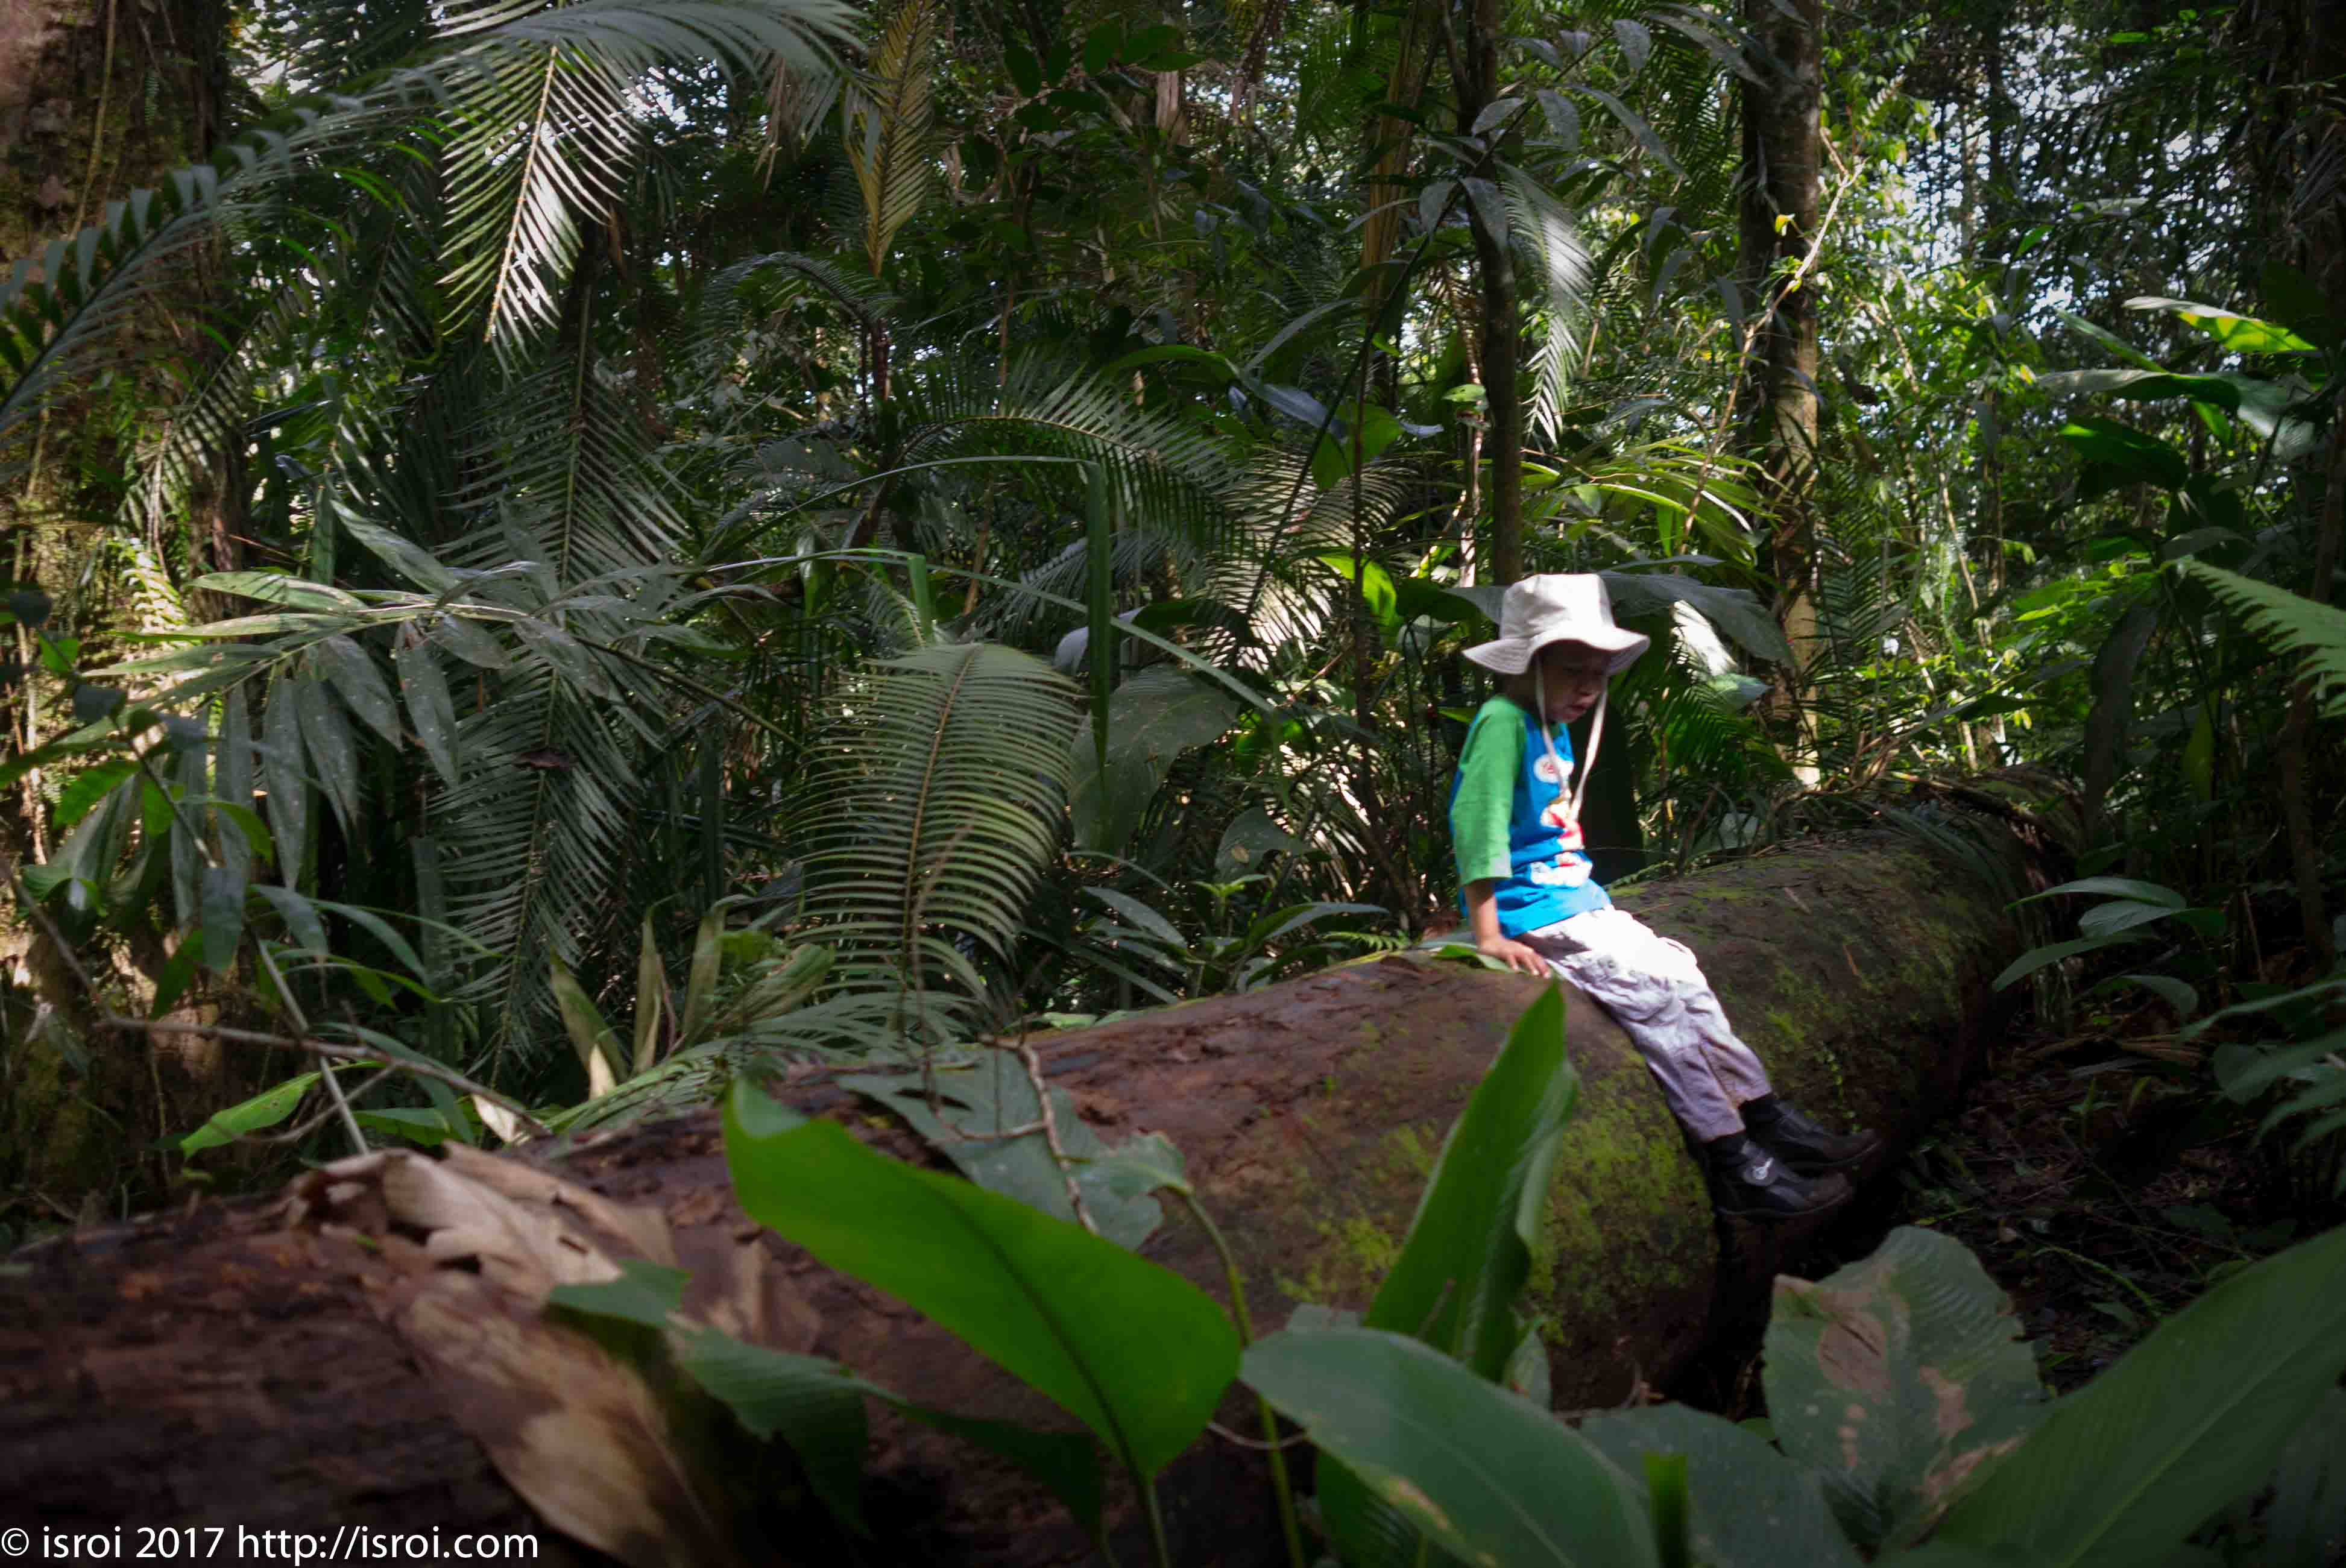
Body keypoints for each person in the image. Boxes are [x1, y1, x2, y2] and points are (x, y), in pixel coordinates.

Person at [1448, 573, 1880, 1220]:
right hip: (1534, 911)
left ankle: (1764, 1112)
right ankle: (1733, 1156)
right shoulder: (1502, 723)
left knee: (1681, 972)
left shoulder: (1553, 721)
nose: (1589, 687)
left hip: (1578, 900)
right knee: (1651, 999)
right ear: (1529, 664)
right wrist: (1488, 934)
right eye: (1573, 670)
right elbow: (1476, 824)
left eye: (1599, 672)